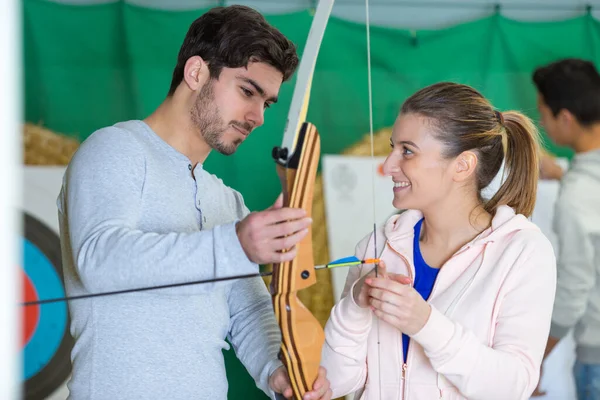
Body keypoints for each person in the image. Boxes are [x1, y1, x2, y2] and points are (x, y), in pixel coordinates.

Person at [57, 5, 331, 400]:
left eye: (267, 103)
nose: (257, 116)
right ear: (196, 72)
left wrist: (277, 371)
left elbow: (248, 311)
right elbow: (99, 261)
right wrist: (234, 244)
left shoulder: (227, 200)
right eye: (247, 91)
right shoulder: (115, 149)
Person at [320, 82, 557, 399]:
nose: (388, 166)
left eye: (407, 151)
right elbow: (334, 383)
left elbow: (513, 386)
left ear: (463, 165)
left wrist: (425, 324)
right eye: (393, 148)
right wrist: (354, 305)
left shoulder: (523, 252)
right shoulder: (376, 246)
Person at [530, 58, 600, 399]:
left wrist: (535, 357)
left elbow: (573, 292)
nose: (541, 122)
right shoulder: (581, 183)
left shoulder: (576, 199)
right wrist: (564, 175)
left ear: (566, 117)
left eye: (542, 113)